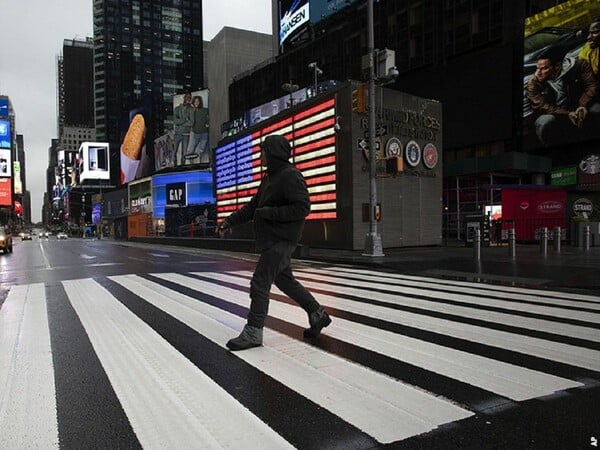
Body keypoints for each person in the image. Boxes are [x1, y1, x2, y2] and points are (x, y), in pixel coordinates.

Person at [215, 134, 331, 351]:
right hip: (272, 240)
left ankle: (253, 332)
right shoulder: (269, 178)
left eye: (263, 151)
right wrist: (229, 222)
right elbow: (252, 207)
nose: (260, 155)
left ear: (273, 153)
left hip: (282, 239)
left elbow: (302, 207)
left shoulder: (290, 176)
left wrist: (268, 213)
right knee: (285, 281)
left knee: (260, 282)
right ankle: (318, 314)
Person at [526, 45, 600, 146]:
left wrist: (582, 105)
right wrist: (567, 113)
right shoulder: (533, 82)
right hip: (556, 113)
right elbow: (541, 105)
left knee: (597, 109)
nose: (538, 73)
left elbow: (592, 86)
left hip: (579, 108)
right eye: (537, 68)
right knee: (543, 122)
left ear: (557, 66)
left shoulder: (579, 65)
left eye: (544, 69)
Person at [186, 95, 209, 163]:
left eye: (198, 101)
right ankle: (191, 165)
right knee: (191, 152)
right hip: (195, 134)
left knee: (202, 151)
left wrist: (207, 123)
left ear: (200, 102)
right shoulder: (191, 111)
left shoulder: (204, 110)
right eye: (195, 101)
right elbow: (188, 120)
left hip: (204, 133)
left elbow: (210, 116)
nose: (196, 103)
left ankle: (201, 164)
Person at [173, 92, 193, 165]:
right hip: (177, 133)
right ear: (184, 98)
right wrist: (185, 120)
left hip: (186, 134)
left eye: (189, 97)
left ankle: (182, 167)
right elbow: (175, 121)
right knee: (174, 151)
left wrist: (181, 122)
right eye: (187, 97)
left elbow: (191, 122)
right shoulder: (177, 109)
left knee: (184, 154)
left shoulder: (191, 109)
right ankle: (174, 166)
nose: (188, 99)